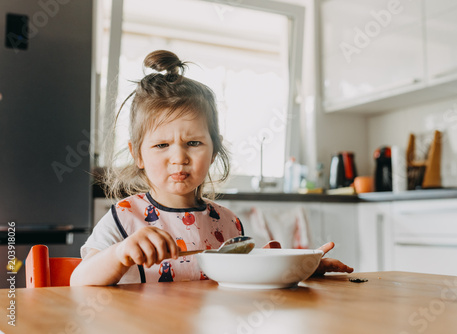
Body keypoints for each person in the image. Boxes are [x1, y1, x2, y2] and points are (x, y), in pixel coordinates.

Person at [70, 50, 353, 286]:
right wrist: (120, 253)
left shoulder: (228, 223)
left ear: (214, 148)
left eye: (193, 143)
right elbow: (79, 281)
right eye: (161, 145)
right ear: (138, 155)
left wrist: (301, 267)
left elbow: (243, 279)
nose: (178, 157)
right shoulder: (123, 218)